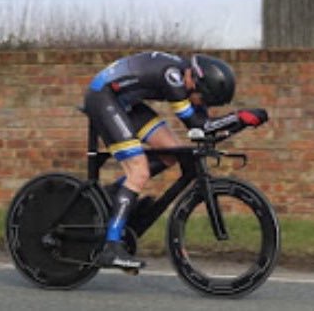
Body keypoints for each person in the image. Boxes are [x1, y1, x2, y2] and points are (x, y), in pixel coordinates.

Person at [84, 51, 267, 270]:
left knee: (171, 153)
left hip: (125, 102)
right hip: (103, 98)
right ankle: (111, 248)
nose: (204, 104)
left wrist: (237, 122)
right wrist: (239, 118)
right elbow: (198, 126)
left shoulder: (187, 77)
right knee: (139, 171)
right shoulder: (173, 78)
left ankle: (115, 196)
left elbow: (204, 125)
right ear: (196, 83)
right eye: (205, 99)